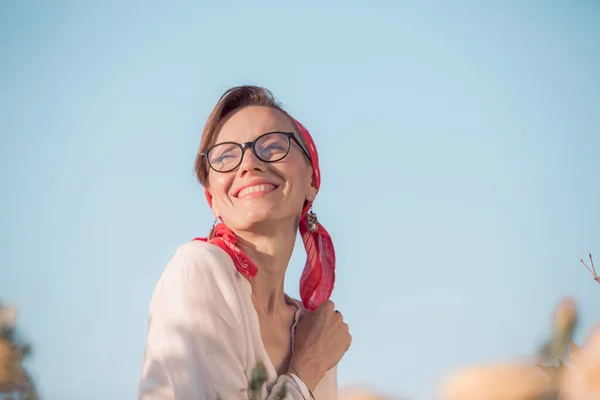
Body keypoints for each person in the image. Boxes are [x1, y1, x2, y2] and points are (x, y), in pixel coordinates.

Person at [137, 85, 352, 400]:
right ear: (213, 198)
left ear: (311, 180)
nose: (249, 162)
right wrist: (306, 370)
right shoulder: (199, 268)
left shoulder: (313, 330)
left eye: (274, 145)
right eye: (225, 155)